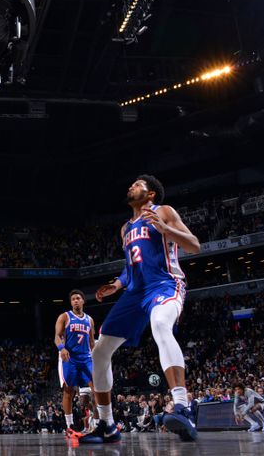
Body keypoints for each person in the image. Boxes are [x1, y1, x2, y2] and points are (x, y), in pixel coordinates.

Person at [81, 175, 201, 443]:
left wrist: (166, 229)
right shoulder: (125, 229)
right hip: (135, 292)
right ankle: (107, 425)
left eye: (137, 185)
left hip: (164, 285)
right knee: (99, 352)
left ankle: (183, 407)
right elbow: (132, 264)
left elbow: (194, 245)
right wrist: (118, 284)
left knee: (160, 325)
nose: (130, 187)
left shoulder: (164, 211)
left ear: (151, 195)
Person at [54, 289, 95, 437]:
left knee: (97, 389)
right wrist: (61, 348)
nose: (75, 301)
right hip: (69, 357)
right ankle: (69, 425)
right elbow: (57, 337)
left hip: (86, 358)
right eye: (73, 299)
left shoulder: (89, 320)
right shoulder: (65, 317)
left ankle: (100, 422)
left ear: (83, 301)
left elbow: (91, 342)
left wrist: (98, 356)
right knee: (68, 391)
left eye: (78, 298)